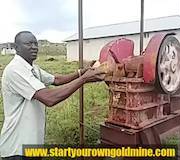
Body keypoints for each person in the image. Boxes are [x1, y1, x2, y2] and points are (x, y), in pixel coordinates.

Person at [0, 31, 105, 159]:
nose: (34, 47)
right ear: (16, 48)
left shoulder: (32, 68)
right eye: (28, 44)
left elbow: (56, 80)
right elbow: (49, 98)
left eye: (35, 43)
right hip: (17, 148)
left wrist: (82, 73)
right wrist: (84, 79)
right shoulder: (15, 70)